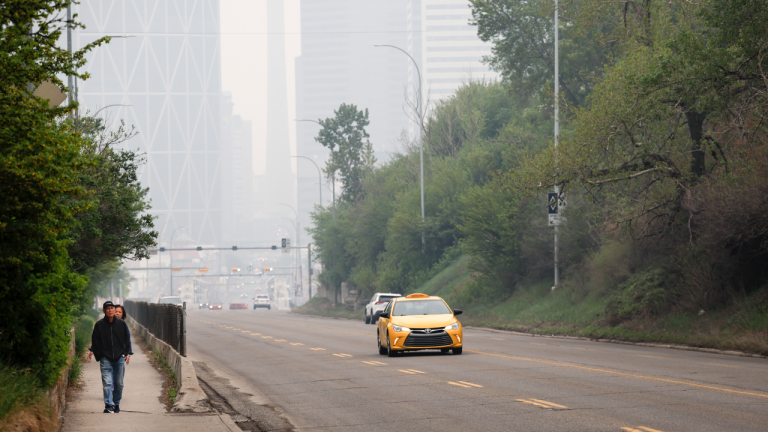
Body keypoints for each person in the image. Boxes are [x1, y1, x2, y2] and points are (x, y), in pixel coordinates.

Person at [89, 301, 131, 413]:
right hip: (105, 358)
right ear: (104, 311)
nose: (110, 310)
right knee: (107, 382)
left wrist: (125, 353)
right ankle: (108, 405)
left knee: (119, 383)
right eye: (108, 308)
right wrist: (100, 356)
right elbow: (95, 341)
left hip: (119, 358)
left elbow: (127, 340)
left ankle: (116, 403)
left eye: (112, 308)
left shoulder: (121, 324)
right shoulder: (99, 325)